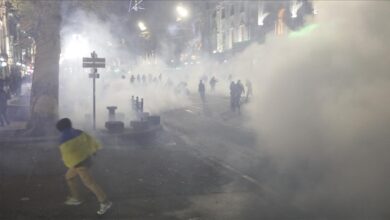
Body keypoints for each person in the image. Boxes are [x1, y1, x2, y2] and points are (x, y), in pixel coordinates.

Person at [56, 118, 112, 215]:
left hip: (79, 164)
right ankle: (76, 198)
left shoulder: (63, 138)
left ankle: (105, 202)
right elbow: (91, 140)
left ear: (60, 128)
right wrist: (94, 150)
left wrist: (70, 163)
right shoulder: (78, 132)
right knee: (69, 177)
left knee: (90, 183)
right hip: (86, 159)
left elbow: (66, 155)